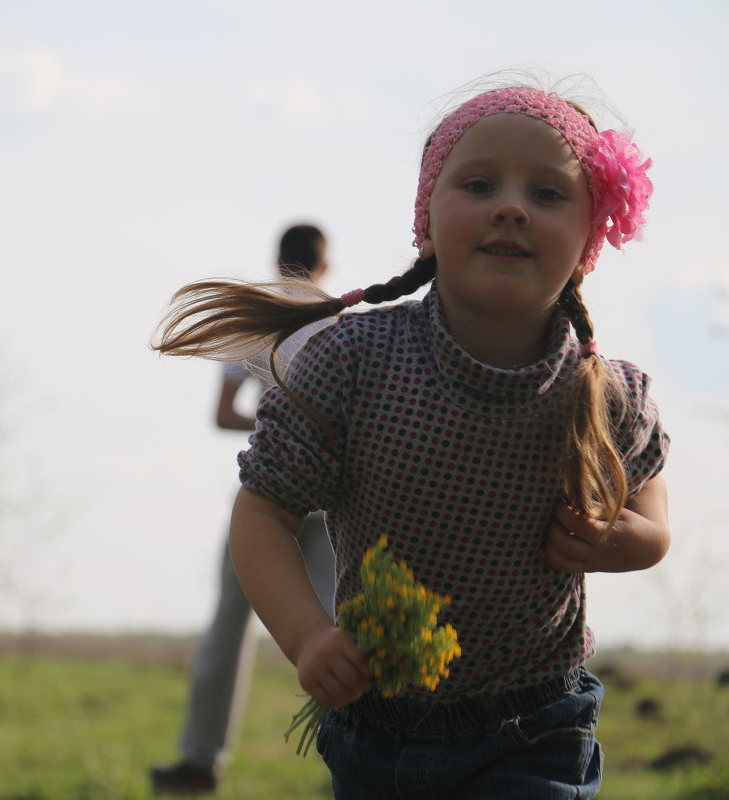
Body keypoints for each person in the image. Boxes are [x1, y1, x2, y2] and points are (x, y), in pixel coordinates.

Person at [153, 82, 669, 798]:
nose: (512, 206)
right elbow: (264, 512)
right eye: (480, 184)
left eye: (549, 194)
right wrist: (307, 638)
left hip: (537, 732)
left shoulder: (602, 391)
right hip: (380, 737)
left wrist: (630, 540)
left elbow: (650, 509)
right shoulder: (355, 361)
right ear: (425, 219)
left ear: (591, 234)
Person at [150, 224, 339, 795]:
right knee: (347, 627)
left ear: (277, 259)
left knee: (229, 624)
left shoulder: (255, 318)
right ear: (326, 266)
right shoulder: (347, 322)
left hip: (267, 488)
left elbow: (224, 414)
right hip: (335, 496)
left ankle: (200, 759)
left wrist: (277, 428)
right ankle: (366, 758)